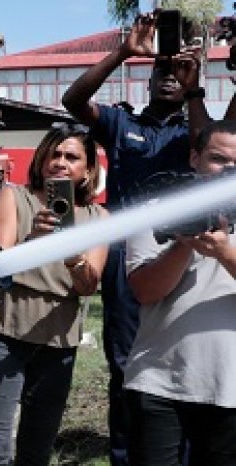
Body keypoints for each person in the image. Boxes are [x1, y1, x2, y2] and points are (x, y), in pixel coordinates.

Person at [61, 12, 196, 465]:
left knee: (184, 355)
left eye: (178, 71)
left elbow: (211, 142)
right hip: (126, 259)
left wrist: (195, 85)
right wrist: (122, 52)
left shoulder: (195, 131)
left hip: (183, 252)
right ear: (148, 79)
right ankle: (126, 454)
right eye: (162, 70)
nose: (169, 78)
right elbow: (73, 100)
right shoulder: (122, 125)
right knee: (127, 361)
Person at [0, 123, 108, 466]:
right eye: (55, 153)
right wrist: (32, 239)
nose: (61, 162)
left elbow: (88, 286)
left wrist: (75, 257)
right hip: (3, 334)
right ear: (42, 159)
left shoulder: (99, 217)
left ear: (88, 170)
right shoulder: (14, 197)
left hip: (58, 344)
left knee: (37, 451)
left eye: (72, 157)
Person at [123, 119, 236, 465]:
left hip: (229, 387)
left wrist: (224, 253)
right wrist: (184, 243)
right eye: (218, 159)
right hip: (157, 380)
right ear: (195, 158)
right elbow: (145, 291)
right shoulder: (157, 212)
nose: (228, 171)